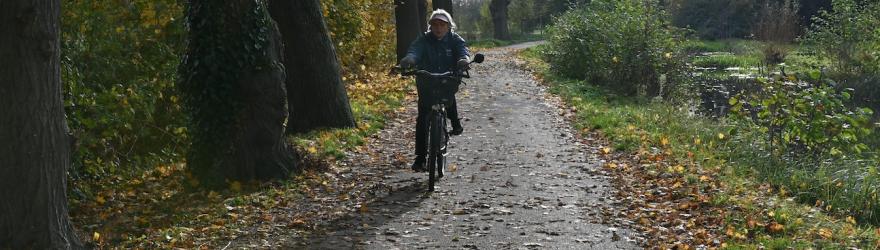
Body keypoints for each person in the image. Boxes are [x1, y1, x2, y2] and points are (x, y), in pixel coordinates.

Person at [399, 9, 471, 172]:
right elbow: (415, 51)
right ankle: (420, 158)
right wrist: (410, 59)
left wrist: (463, 60)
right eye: (435, 24)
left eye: (442, 25)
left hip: (448, 77)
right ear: (430, 26)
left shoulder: (455, 39)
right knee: (423, 118)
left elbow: (463, 51)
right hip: (427, 80)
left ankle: (455, 123)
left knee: (448, 96)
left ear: (448, 26)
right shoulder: (423, 39)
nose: (438, 28)